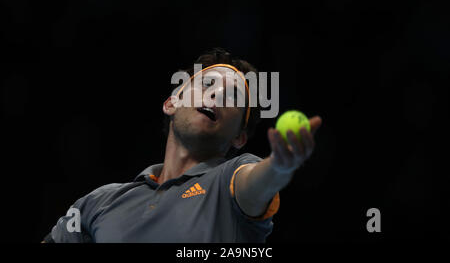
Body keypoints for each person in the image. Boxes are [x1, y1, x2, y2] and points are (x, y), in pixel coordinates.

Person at [42, 48, 322, 243]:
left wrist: (281, 166)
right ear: (171, 102)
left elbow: (258, 181)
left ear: (239, 137)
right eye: (208, 83)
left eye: (233, 95)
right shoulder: (99, 202)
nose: (218, 93)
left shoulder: (230, 184)